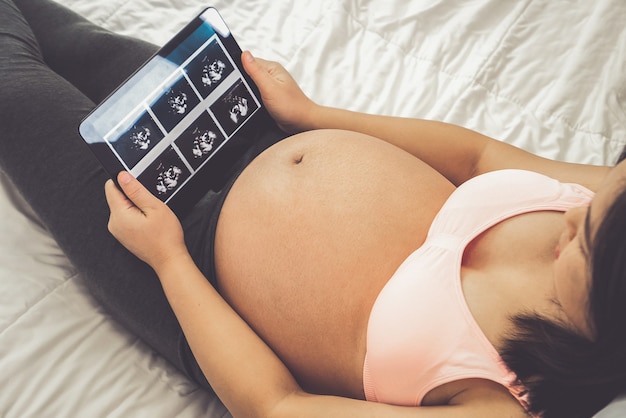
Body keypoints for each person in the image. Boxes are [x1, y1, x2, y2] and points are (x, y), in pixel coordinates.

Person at [2, 0, 625, 417]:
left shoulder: (501, 406)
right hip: (253, 131)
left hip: (183, 262)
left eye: (584, 242)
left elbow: (279, 404)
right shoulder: (612, 201)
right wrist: (310, 115)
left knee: (12, 79)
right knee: (68, 37)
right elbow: (478, 156)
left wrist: (168, 261)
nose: (576, 214)